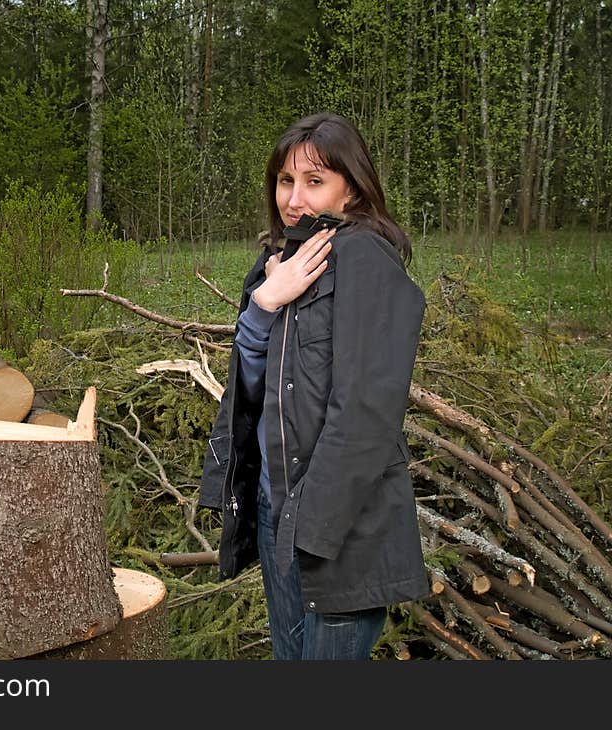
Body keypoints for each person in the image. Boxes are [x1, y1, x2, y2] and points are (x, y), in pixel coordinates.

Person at [199, 111, 429, 660]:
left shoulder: (366, 262)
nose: (294, 198)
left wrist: (312, 528)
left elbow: (366, 415)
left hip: (337, 525)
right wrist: (263, 303)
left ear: (352, 189)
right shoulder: (278, 263)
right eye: (285, 181)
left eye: (315, 181)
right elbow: (250, 395)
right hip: (277, 509)